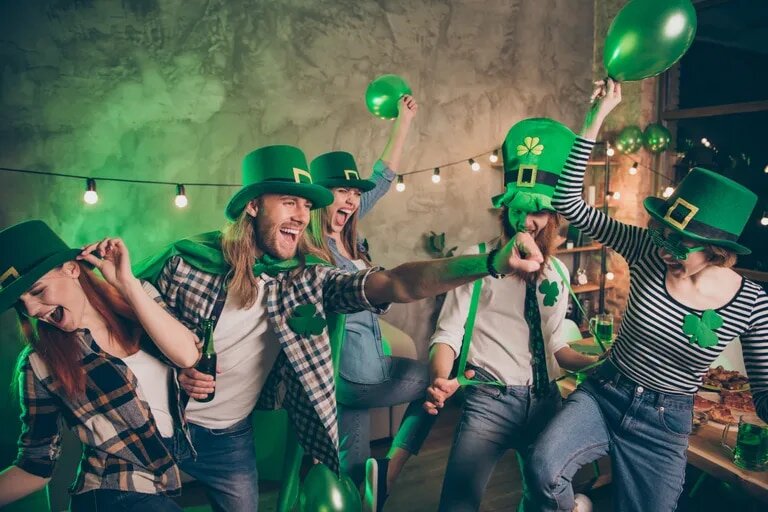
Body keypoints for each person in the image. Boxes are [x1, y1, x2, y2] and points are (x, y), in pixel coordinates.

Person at [138, 143, 545, 512]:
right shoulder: (187, 263)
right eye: (288, 202)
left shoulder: (305, 277)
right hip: (158, 423)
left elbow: (398, 283)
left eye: (305, 204)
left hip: (230, 437)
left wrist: (491, 263)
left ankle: (377, 482)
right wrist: (176, 368)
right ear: (253, 206)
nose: (301, 215)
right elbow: (129, 323)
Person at [526, 79, 768, 512]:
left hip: (665, 421)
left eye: (680, 245)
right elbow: (569, 202)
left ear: (716, 252)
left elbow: (764, 393)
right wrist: (595, 116)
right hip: (606, 392)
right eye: (663, 234)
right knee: (543, 469)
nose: (665, 249)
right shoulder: (644, 249)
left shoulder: (752, 302)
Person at [422, 118, 600, 512]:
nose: (525, 222)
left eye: (538, 213)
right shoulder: (476, 261)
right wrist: (440, 377)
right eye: (517, 209)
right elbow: (447, 334)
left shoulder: (558, 272)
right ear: (505, 209)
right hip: (489, 400)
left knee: (544, 502)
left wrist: (601, 363)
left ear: (554, 218)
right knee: (457, 504)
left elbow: (558, 347)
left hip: (546, 402)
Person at [0, 221, 200, 511]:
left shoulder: (139, 297)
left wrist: (127, 283)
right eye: (21, 304)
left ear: (72, 269)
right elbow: (35, 466)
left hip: (159, 486)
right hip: (110, 492)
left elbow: (187, 356)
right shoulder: (38, 363)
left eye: (37, 291)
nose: (31, 310)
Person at [305, 96, 436, 511]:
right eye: (339, 192)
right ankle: (390, 473)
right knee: (438, 381)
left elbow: (382, 177)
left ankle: (367, 494)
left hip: (344, 380)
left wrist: (404, 119)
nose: (349, 200)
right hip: (360, 372)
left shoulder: (350, 231)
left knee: (353, 471)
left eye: (352, 192)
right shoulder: (315, 251)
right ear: (317, 198)